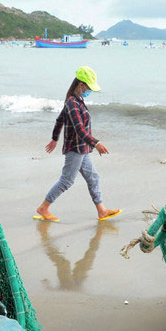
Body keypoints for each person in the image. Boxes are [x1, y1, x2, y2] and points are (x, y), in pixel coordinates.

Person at [34, 66, 121, 222]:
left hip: (83, 149)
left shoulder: (78, 101)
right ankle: (43, 208)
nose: (90, 91)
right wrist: (97, 143)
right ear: (81, 85)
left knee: (93, 177)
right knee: (67, 180)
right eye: (89, 88)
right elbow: (80, 130)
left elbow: (60, 119)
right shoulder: (73, 103)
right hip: (75, 149)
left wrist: (54, 138)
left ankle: (101, 210)